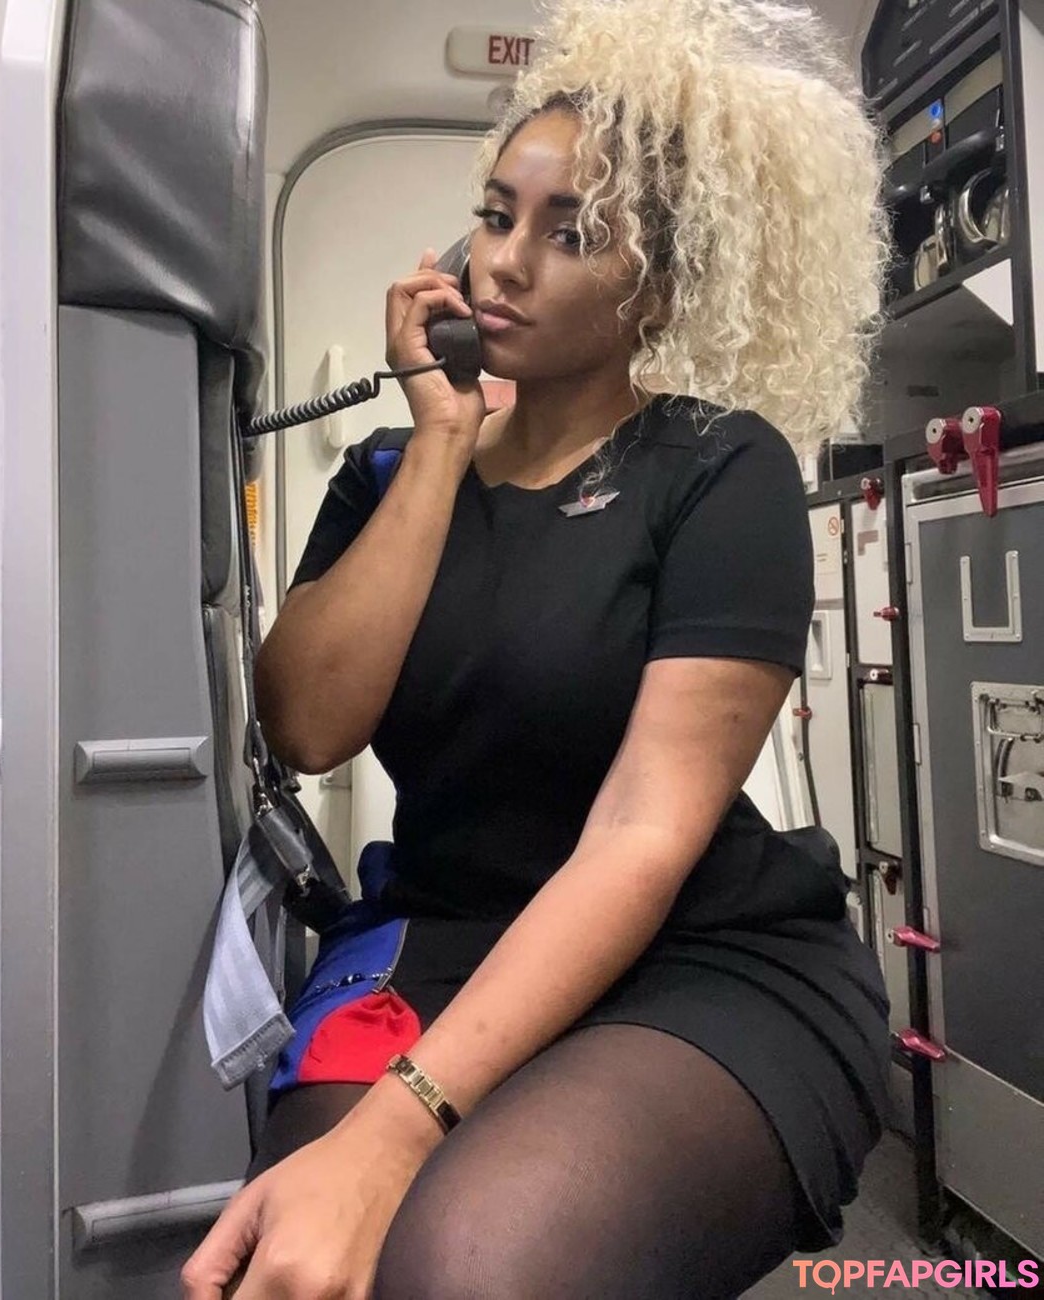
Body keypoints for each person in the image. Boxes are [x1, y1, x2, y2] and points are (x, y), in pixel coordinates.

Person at [182, 0, 893, 1295]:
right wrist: (442, 441)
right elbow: (308, 728)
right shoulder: (391, 474)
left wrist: (401, 1126)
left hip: (693, 954)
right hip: (440, 936)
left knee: (473, 1261)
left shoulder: (714, 468)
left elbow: (639, 840)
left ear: (653, 287)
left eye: (570, 234)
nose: (504, 263)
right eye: (497, 216)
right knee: (300, 1255)